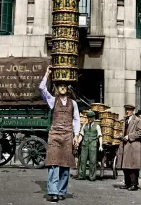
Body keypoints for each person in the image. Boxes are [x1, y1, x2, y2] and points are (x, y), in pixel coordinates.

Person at [39, 65, 80, 203]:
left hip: (68, 135)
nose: (62, 87)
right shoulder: (52, 100)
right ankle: (53, 192)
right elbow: (41, 89)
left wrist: (76, 135)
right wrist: (47, 74)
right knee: (53, 163)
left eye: (64, 85)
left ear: (67, 88)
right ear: (57, 88)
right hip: (55, 135)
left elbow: (76, 119)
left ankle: (62, 190)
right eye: (60, 85)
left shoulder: (73, 103)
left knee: (65, 164)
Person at [117, 104, 141, 191]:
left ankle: (134, 184)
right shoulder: (125, 120)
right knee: (125, 166)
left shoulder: (137, 120)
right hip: (126, 145)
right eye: (126, 110)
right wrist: (122, 135)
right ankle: (127, 183)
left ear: (133, 111)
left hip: (133, 145)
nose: (127, 111)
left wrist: (129, 136)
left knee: (133, 166)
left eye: (129, 110)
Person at [78, 110, 103, 181]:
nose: (89, 119)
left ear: (94, 118)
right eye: (88, 117)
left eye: (91, 117)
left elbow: (100, 136)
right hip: (84, 145)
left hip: (93, 145)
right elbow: (81, 135)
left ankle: (92, 176)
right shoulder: (84, 126)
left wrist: (100, 145)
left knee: (92, 161)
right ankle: (81, 176)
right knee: (83, 160)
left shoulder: (97, 126)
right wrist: (78, 142)